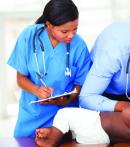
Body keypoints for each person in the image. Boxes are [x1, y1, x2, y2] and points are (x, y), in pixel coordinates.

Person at [7, 0, 91, 137]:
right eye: (65, 31)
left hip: (64, 119)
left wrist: (67, 99)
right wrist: (37, 90)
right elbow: (20, 79)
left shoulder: (79, 45)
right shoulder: (28, 36)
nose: (71, 35)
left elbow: (80, 85)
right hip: (32, 116)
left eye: (75, 29)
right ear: (49, 25)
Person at [35, 102, 130, 146]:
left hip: (95, 124)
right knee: (74, 128)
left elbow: (127, 113)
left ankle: (52, 140)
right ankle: (55, 131)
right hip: (99, 138)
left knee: (65, 114)